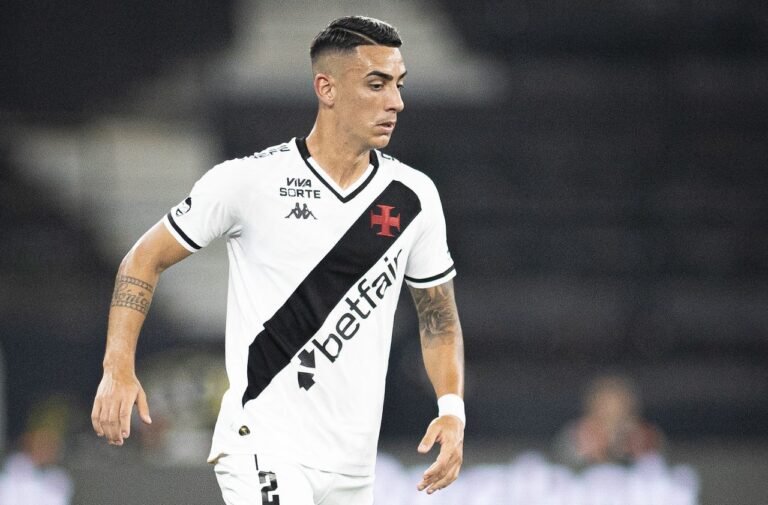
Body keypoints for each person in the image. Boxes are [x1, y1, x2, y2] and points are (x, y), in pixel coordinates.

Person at [91, 15, 465, 505]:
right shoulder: (249, 182)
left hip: (352, 467)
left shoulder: (413, 196)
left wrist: (452, 408)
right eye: (376, 84)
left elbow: (438, 317)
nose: (396, 101)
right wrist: (118, 367)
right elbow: (142, 259)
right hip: (263, 448)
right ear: (326, 89)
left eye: (398, 84)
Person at [553, 375, 663, 468]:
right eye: (604, 404)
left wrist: (642, 452)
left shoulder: (643, 435)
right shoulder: (577, 433)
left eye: (617, 404)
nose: (610, 411)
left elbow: (665, 463)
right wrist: (581, 451)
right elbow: (557, 462)